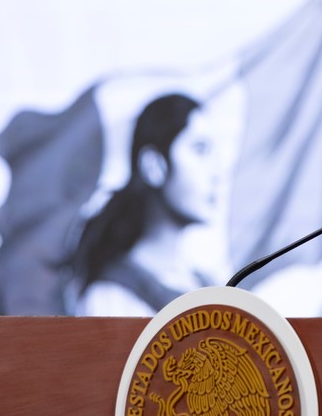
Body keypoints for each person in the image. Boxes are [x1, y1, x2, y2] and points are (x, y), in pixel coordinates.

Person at [70, 93, 221, 316]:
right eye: (199, 150)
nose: (216, 172)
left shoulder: (208, 287)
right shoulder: (112, 297)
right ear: (154, 166)